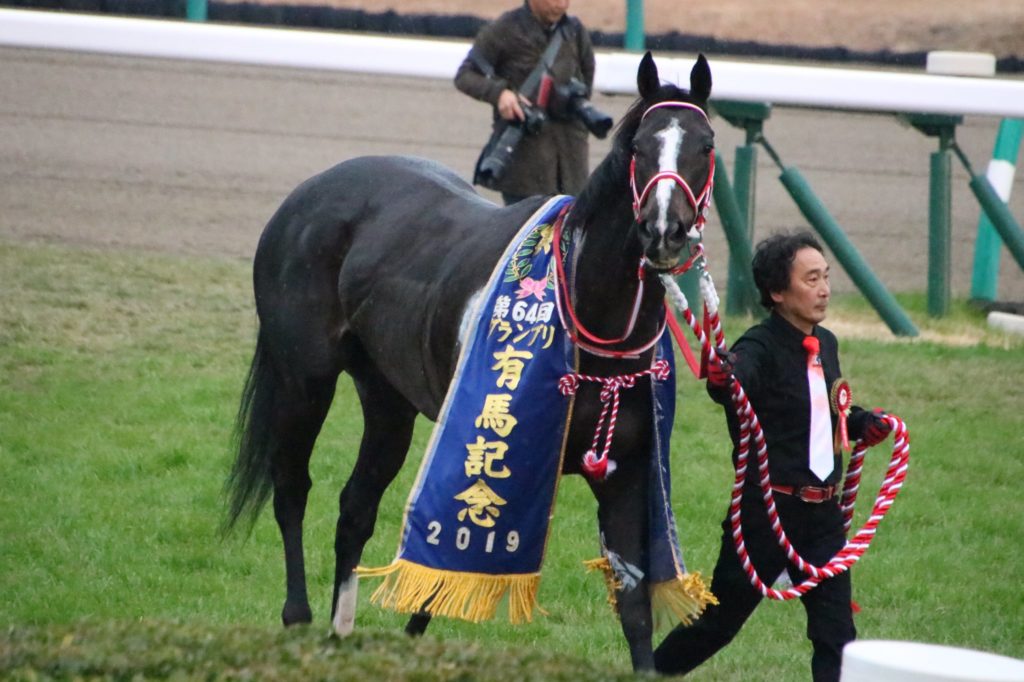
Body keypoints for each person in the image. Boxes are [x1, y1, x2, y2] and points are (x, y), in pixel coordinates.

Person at [654, 231, 894, 682]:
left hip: (823, 518)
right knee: (718, 624)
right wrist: (723, 378)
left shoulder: (826, 343)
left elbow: (824, 411)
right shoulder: (758, 348)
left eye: (825, 277)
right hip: (767, 515)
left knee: (837, 634)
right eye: (811, 279)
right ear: (778, 293)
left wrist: (862, 424)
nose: (823, 289)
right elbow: (731, 385)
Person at [453, 0, 596, 205]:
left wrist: (568, 101)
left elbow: (586, 78)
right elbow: (466, 75)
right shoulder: (505, 29)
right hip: (525, 164)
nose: (562, 5)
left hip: (571, 161)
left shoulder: (575, 31)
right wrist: (500, 94)